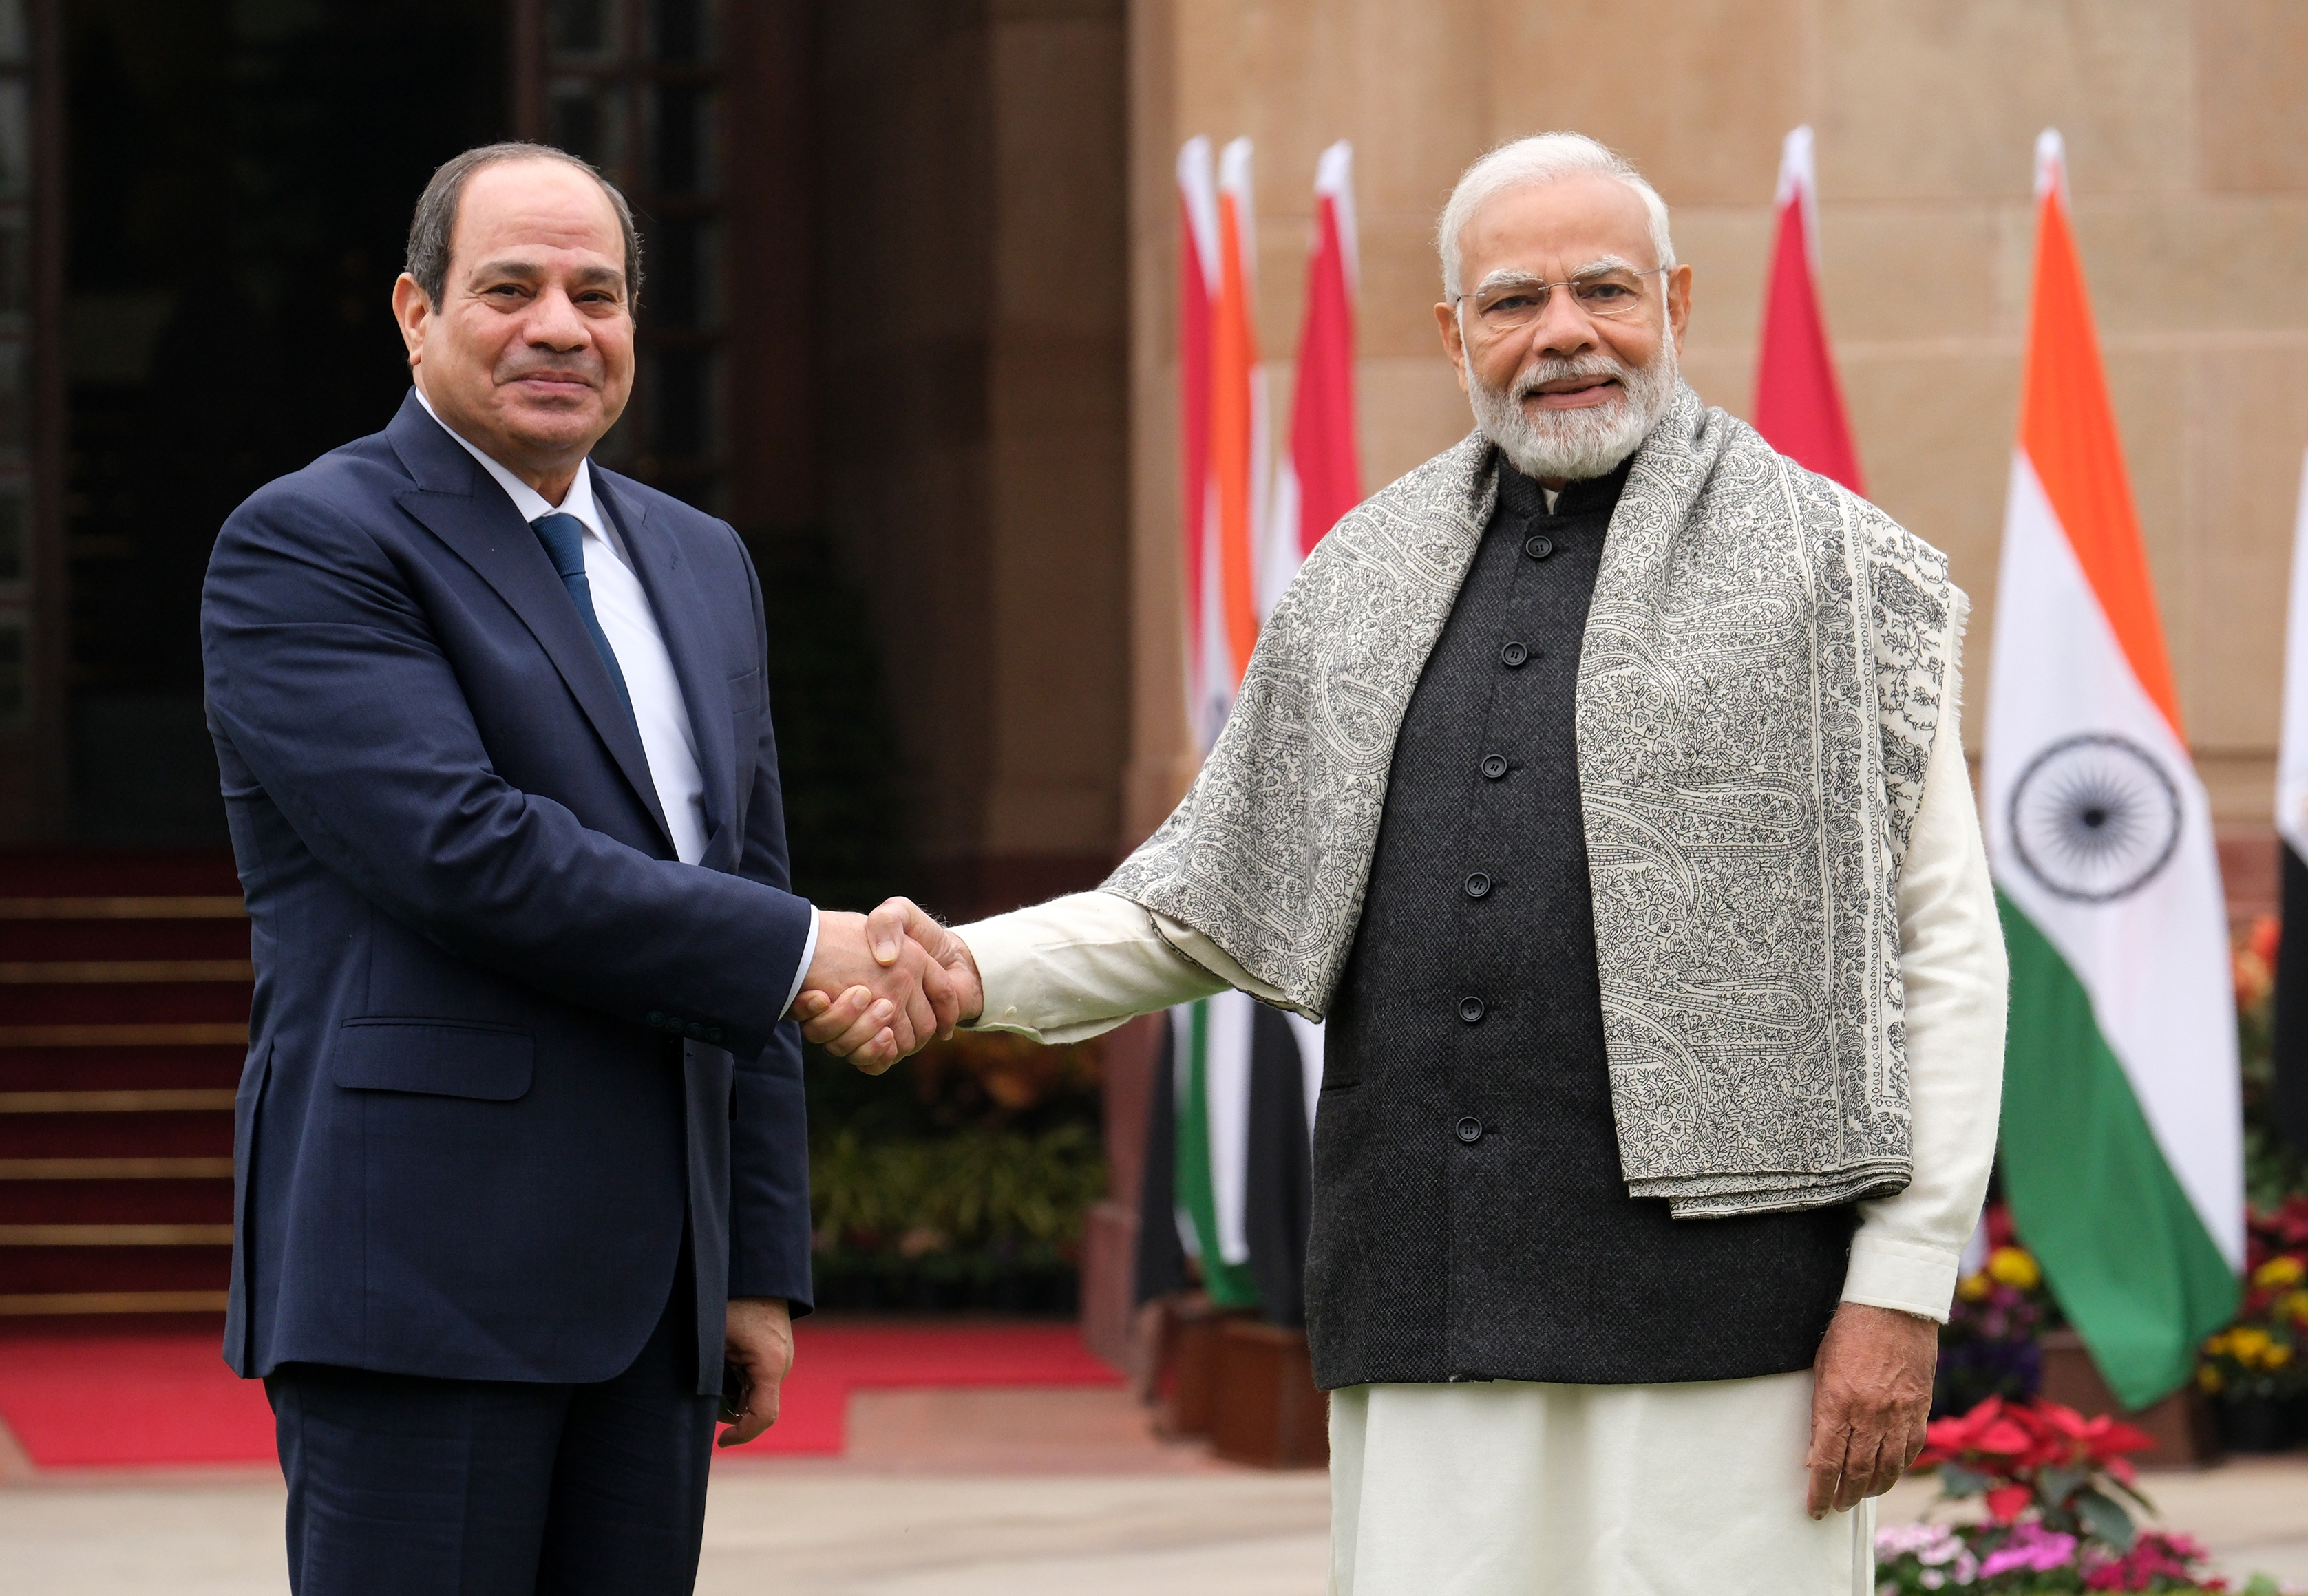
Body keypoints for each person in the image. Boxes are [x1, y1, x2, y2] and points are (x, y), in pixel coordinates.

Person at [803, 132, 2009, 1595]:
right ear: (1455, 336)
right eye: (1513, 302)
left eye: (1604, 290)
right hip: (1430, 1305)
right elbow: (1203, 897)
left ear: (1678, 299)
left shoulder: (1838, 570)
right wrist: (968, 967)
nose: (1563, 333)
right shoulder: (1360, 579)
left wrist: (1899, 1286)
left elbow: (1946, 953)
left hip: (1735, 1327)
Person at [201, 142, 946, 1595]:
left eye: (596, 293)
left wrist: (753, 1264)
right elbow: (467, 853)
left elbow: (750, 875)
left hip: (656, 1305)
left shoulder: (702, 560)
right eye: (510, 288)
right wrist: (810, 953)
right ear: (415, 311)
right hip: (420, 1288)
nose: (560, 326)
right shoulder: (308, 543)